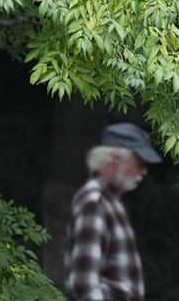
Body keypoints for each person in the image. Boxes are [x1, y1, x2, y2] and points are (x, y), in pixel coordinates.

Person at [64, 122, 162, 300]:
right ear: (117, 158)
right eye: (139, 162)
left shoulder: (110, 201)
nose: (144, 171)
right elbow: (84, 284)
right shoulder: (95, 201)